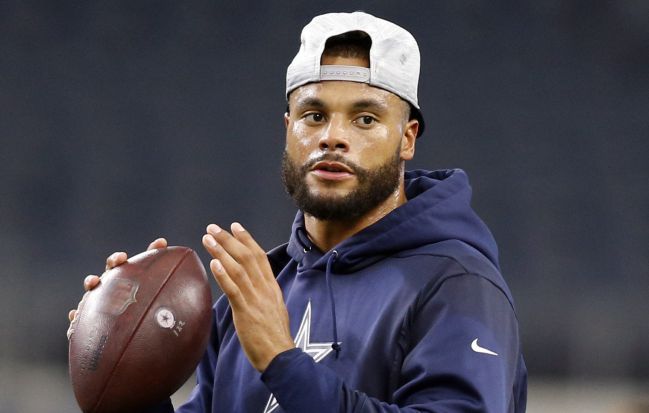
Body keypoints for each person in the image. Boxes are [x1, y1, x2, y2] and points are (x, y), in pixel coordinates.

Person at [68, 11, 527, 412]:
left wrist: (282, 363)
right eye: (314, 116)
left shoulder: (456, 286)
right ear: (288, 129)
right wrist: (126, 381)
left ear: (406, 139)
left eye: (365, 119)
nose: (332, 137)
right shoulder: (252, 295)